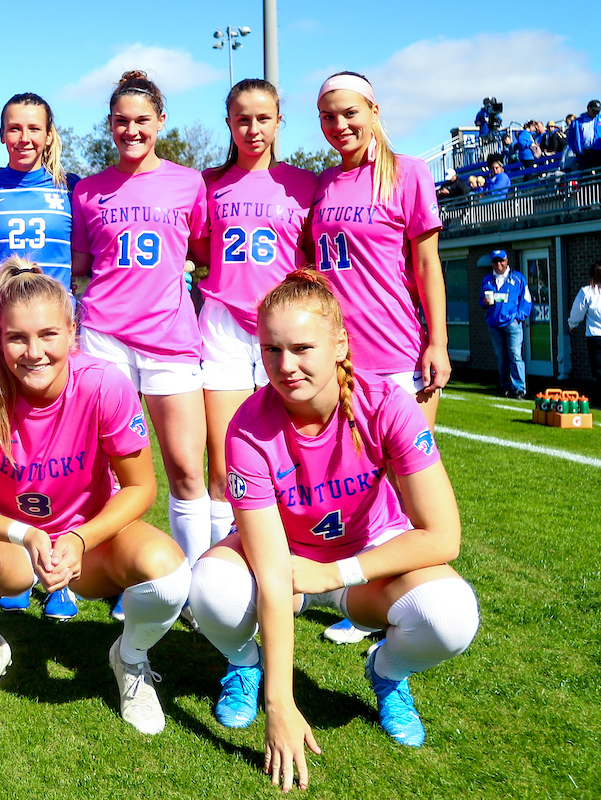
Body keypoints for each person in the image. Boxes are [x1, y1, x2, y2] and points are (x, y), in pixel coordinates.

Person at [189, 269, 480, 788]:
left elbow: (443, 536)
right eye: (271, 349)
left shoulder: (387, 403)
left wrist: (335, 573)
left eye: (302, 348)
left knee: (451, 615)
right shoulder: (246, 428)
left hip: (363, 568)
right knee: (212, 586)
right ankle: (245, 663)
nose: (285, 366)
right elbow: (273, 574)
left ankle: (387, 671)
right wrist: (280, 703)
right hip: (286, 568)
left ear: (340, 343)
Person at [0, 260, 189, 734]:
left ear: (72, 333)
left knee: (169, 577)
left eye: (48, 335)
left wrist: (80, 538)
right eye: (16, 338)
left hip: (93, 546)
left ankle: (130, 659)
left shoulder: (104, 383)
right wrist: (23, 534)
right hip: (13, 545)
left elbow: (141, 486)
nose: (34, 352)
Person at [71, 70, 210, 579]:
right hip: (105, 338)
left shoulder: (188, 182)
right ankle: (113, 574)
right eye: (121, 121)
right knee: (107, 471)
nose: (131, 130)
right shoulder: (88, 191)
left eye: (142, 120)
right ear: (110, 124)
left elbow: (200, 251)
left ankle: (193, 585)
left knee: (186, 469)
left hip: (170, 339)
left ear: (160, 121)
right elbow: (80, 266)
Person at [196, 78, 318, 550]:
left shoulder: (304, 184)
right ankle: (216, 565)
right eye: (242, 119)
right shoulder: (208, 184)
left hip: (284, 327)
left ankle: (296, 551)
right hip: (224, 324)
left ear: (279, 121)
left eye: (263, 118)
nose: (253, 128)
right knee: (224, 455)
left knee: (293, 448)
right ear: (228, 123)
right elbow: (200, 250)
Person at [0, 92, 82, 620]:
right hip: (0, 340)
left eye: (33, 128)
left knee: (62, 453)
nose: (24, 137)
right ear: (2, 134)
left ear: (48, 135)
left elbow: (84, 260)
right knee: (8, 451)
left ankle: (62, 573)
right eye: (14, 128)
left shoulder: (71, 192)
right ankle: (17, 566)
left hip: (52, 344)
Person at [311, 72, 449, 429]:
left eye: (350, 113)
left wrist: (438, 342)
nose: (339, 125)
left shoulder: (408, 172)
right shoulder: (321, 183)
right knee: (348, 465)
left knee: (410, 464)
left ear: (374, 111)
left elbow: (427, 264)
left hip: (396, 351)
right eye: (328, 116)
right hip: (335, 358)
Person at [480, 250, 532, 399]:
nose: (499, 264)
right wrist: (484, 302)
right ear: (492, 263)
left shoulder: (518, 278)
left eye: (501, 261)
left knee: (515, 355)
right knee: (501, 357)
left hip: (512, 323)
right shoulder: (487, 280)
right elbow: (481, 301)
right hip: (494, 324)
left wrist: (518, 317)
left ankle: (519, 389)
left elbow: (527, 300)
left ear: (506, 261)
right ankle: (506, 387)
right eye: (495, 261)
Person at [568, 260, 601, 383]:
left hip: (595, 336)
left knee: (598, 371)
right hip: (595, 336)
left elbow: (577, 311)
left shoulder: (587, 292)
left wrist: (572, 325)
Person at [567, 100, 601, 171]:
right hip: (584, 153)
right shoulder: (577, 122)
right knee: (585, 173)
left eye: (597, 111)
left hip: (599, 151)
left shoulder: (599, 119)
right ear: (588, 108)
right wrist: (576, 150)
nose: (596, 113)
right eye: (594, 111)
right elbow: (570, 138)